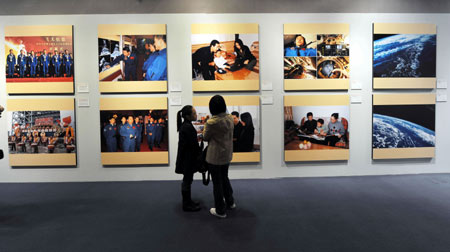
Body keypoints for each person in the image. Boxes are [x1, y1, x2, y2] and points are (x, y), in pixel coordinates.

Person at [203, 95, 235, 218]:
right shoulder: (230, 118)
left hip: (215, 157)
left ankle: (220, 210)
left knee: (217, 183)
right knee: (225, 178)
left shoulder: (212, 122)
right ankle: (230, 202)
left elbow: (205, 137)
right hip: (226, 155)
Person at [175, 105, 202, 212]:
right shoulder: (187, 127)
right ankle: (186, 205)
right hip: (187, 159)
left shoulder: (186, 125)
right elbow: (191, 145)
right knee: (187, 180)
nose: (196, 115)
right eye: (194, 113)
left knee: (188, 180)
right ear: (187, 116)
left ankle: (188, 201)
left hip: (187, 158)